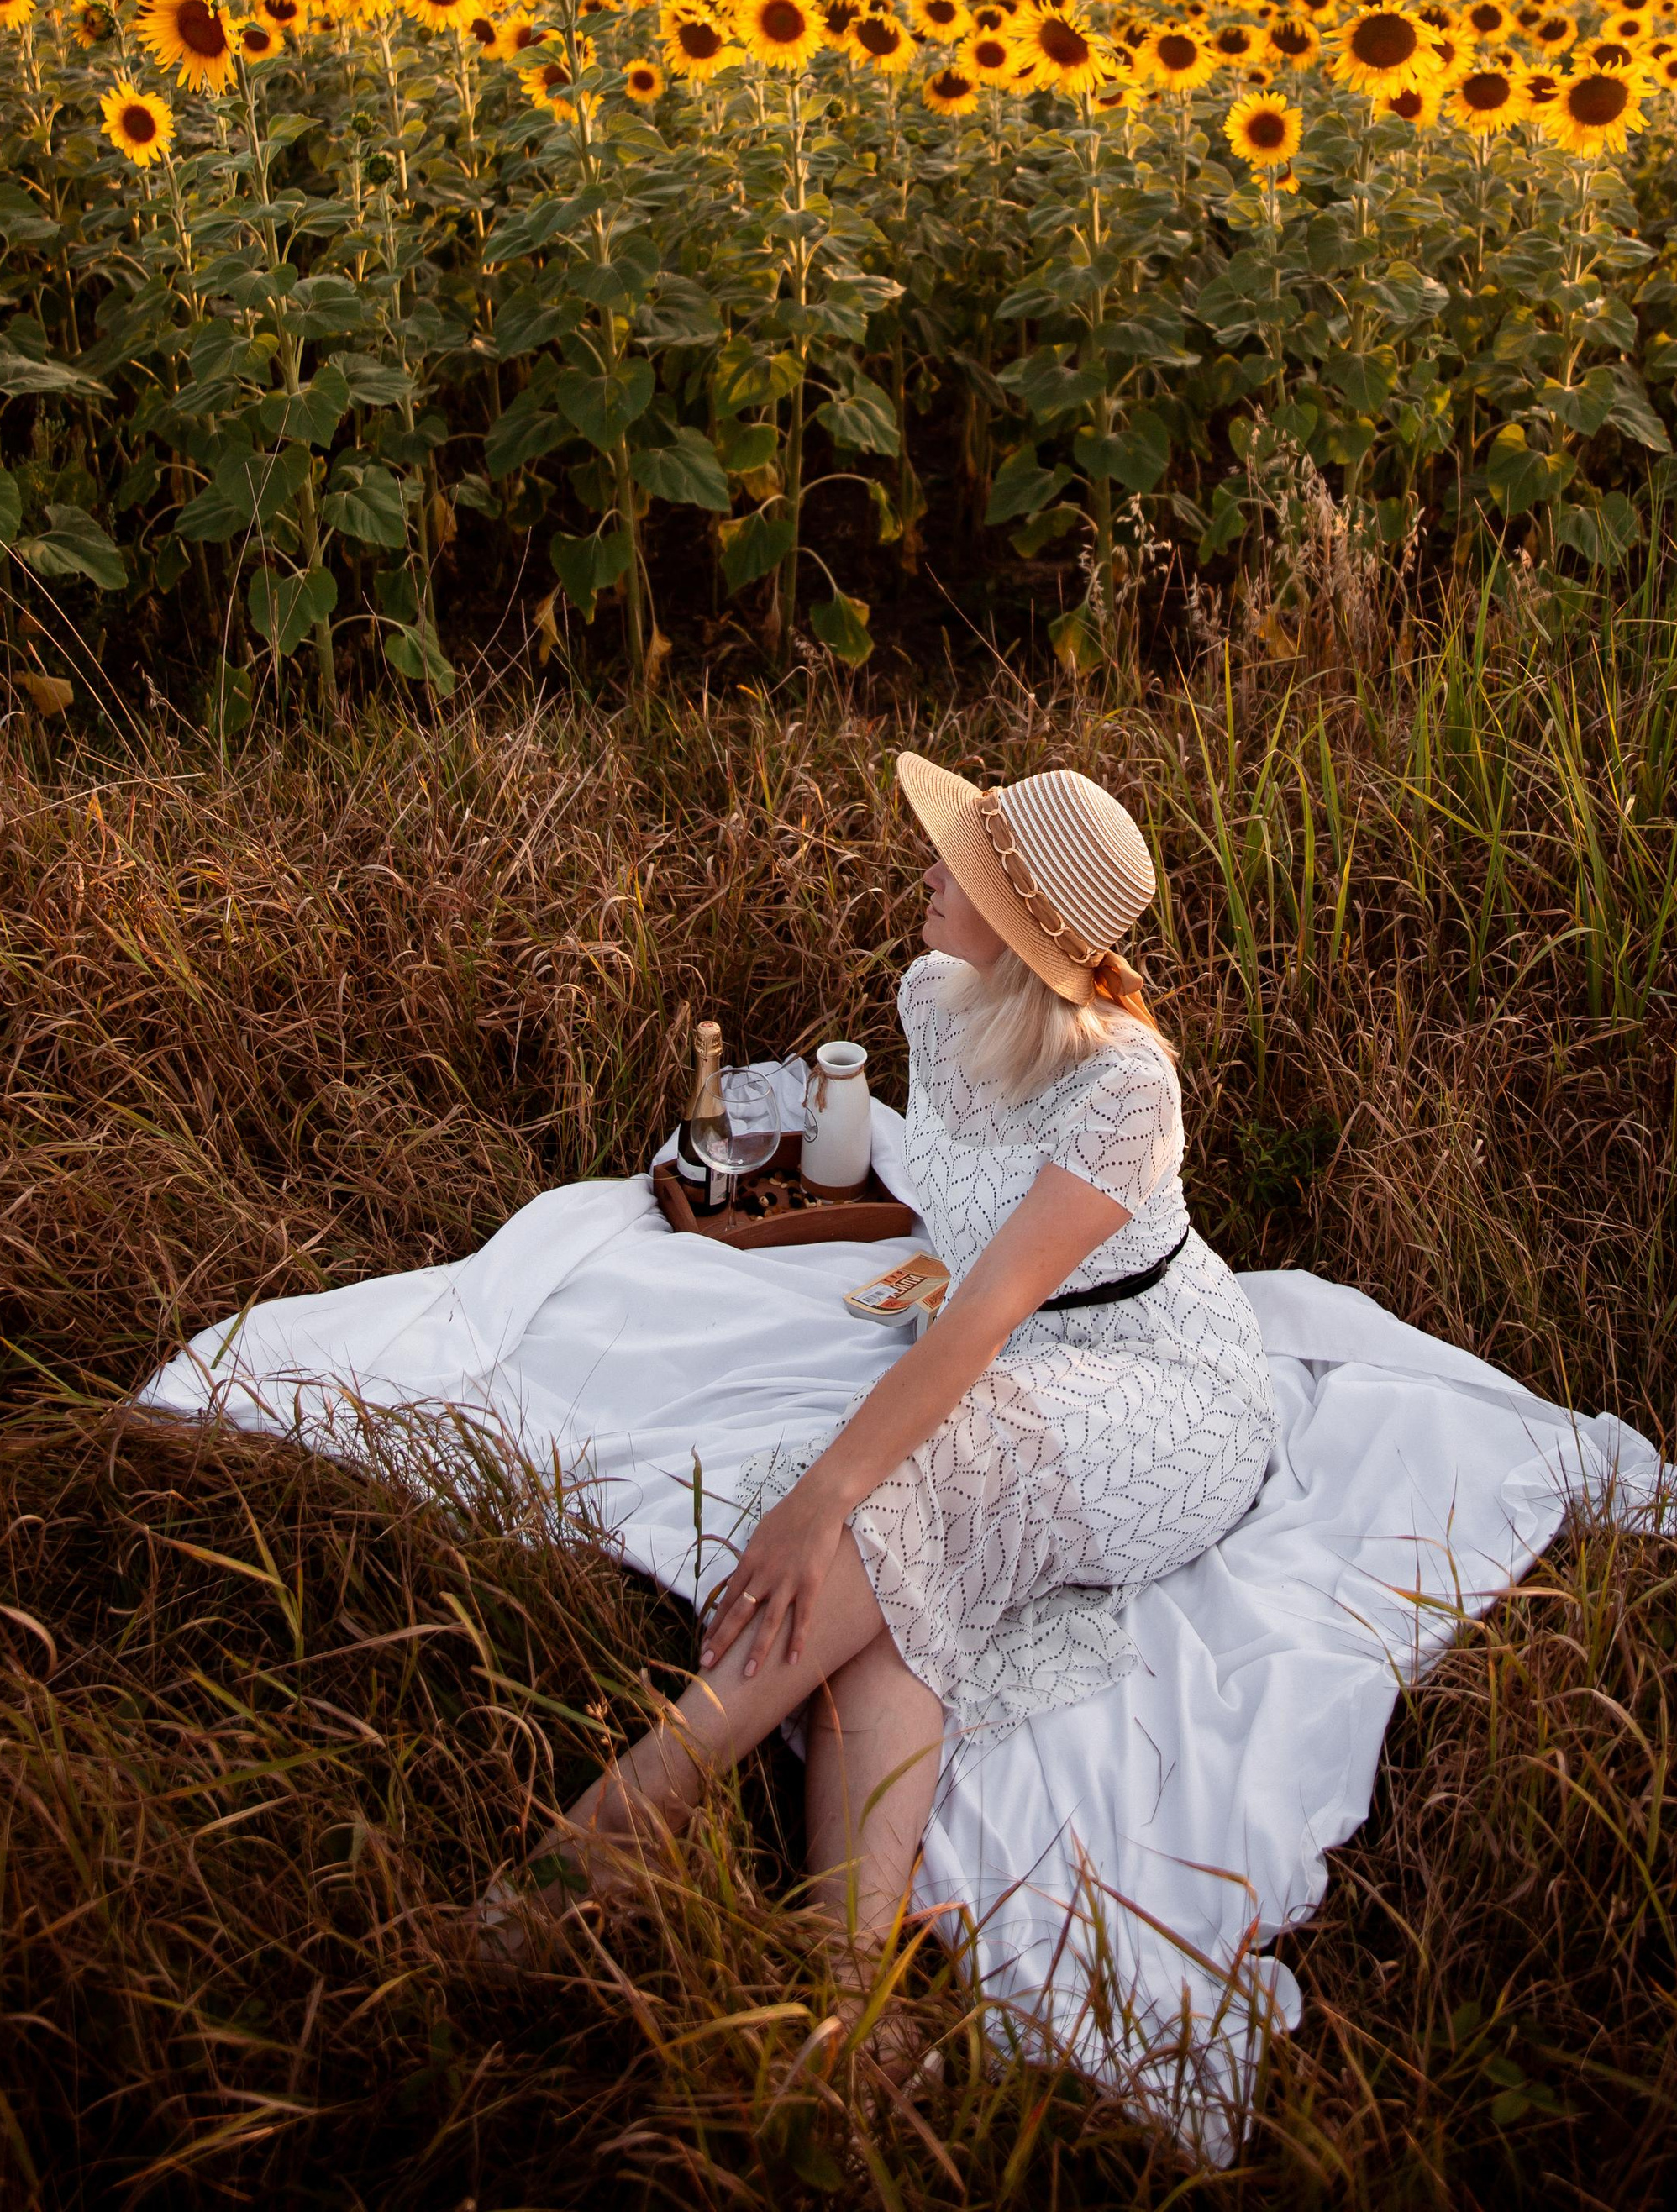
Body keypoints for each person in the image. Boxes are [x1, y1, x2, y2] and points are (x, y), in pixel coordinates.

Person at [475, 754, 1278, 2017]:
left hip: (1161, 1384)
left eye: (951, 861)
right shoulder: (935, 998)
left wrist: (816, 1501)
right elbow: (958, 1246)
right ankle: (843, 2000)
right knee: (913, 1566)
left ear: (1019, 919)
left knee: (890, 1497)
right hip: (1010, 1350)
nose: (922, 867)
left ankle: (621, 1823)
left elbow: (981, 1326)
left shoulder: (1132, 1089)